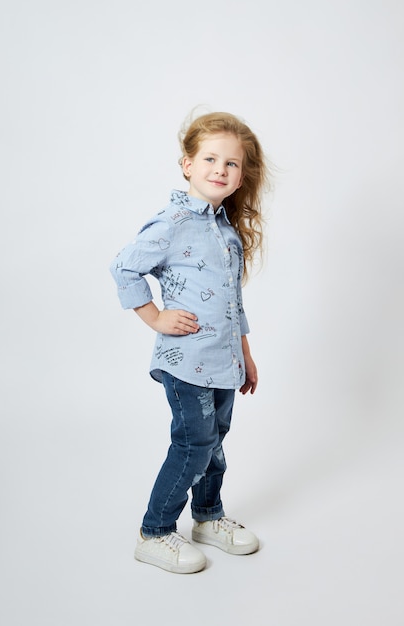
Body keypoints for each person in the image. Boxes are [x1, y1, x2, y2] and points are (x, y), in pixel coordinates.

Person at [110, 111, 269, 574]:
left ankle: (207, 517)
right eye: (210, 159)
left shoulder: (226, 232)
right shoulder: (173, 221)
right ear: (187, 164)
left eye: (232, 164)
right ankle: (155, 532)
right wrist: (155, 317)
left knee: (215, 442)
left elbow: (232, 301)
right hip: (186, 363)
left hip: (224, 362)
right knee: (193, 444)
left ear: (241, 177)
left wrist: (246, 352)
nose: (220, 169)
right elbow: (123, 266)